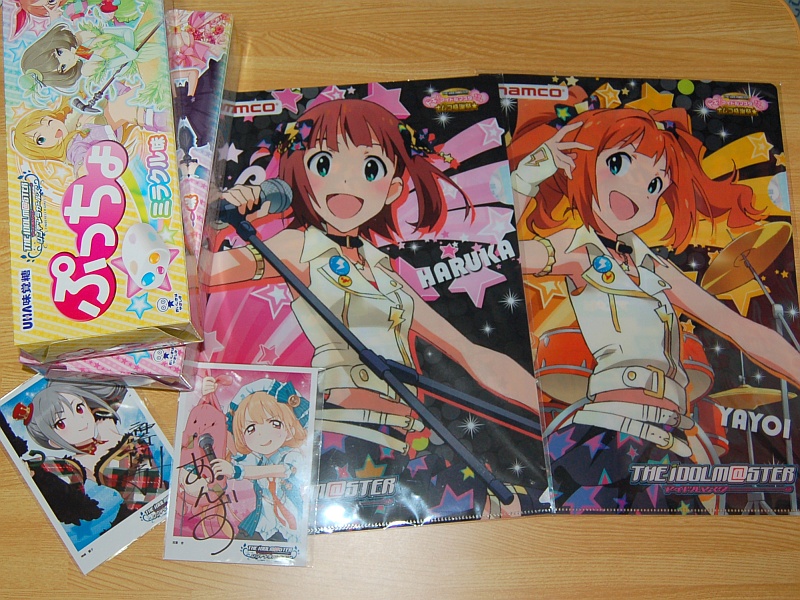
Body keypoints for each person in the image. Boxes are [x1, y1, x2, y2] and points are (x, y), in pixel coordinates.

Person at [207, 97, 542, 521]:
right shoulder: (297, 245)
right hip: (343, 426)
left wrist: (545, 410)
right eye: (324, 163)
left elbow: (472, 354)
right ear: (300, 175)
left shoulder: (384, 273)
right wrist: (227, 219)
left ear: (393, 190)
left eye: (370, 169)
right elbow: (207, 272)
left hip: (407, 429)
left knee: (502, 505)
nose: (347, 183)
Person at [508, 85, 800, 512]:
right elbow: (505, 255)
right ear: (582, 165)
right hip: (604, 434)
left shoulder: (655, 268)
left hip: (665, 441)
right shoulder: (576, 250)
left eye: (655, 184)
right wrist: (528, 175)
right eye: (618, 164)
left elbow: (741, 330)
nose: (638, 192)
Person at [14, 380, 167, 517]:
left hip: (169, 494)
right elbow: (56, 476)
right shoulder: (77, 464)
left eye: (79, 408)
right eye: (61, 423)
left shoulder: (104, 422)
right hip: (142, 513)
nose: (79, 421)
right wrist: (35, 471)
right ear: (54, 443)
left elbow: (118, 388)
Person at [210, 380, 309, 543]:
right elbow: (235, 449)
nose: (262, 434)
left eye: (275, 424)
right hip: (263, 521)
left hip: (291, 524)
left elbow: (280, 470)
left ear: (290, 429)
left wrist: (237, 471)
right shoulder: (259, 459)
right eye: (251, 429)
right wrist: (210, 395)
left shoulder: (292, 456)